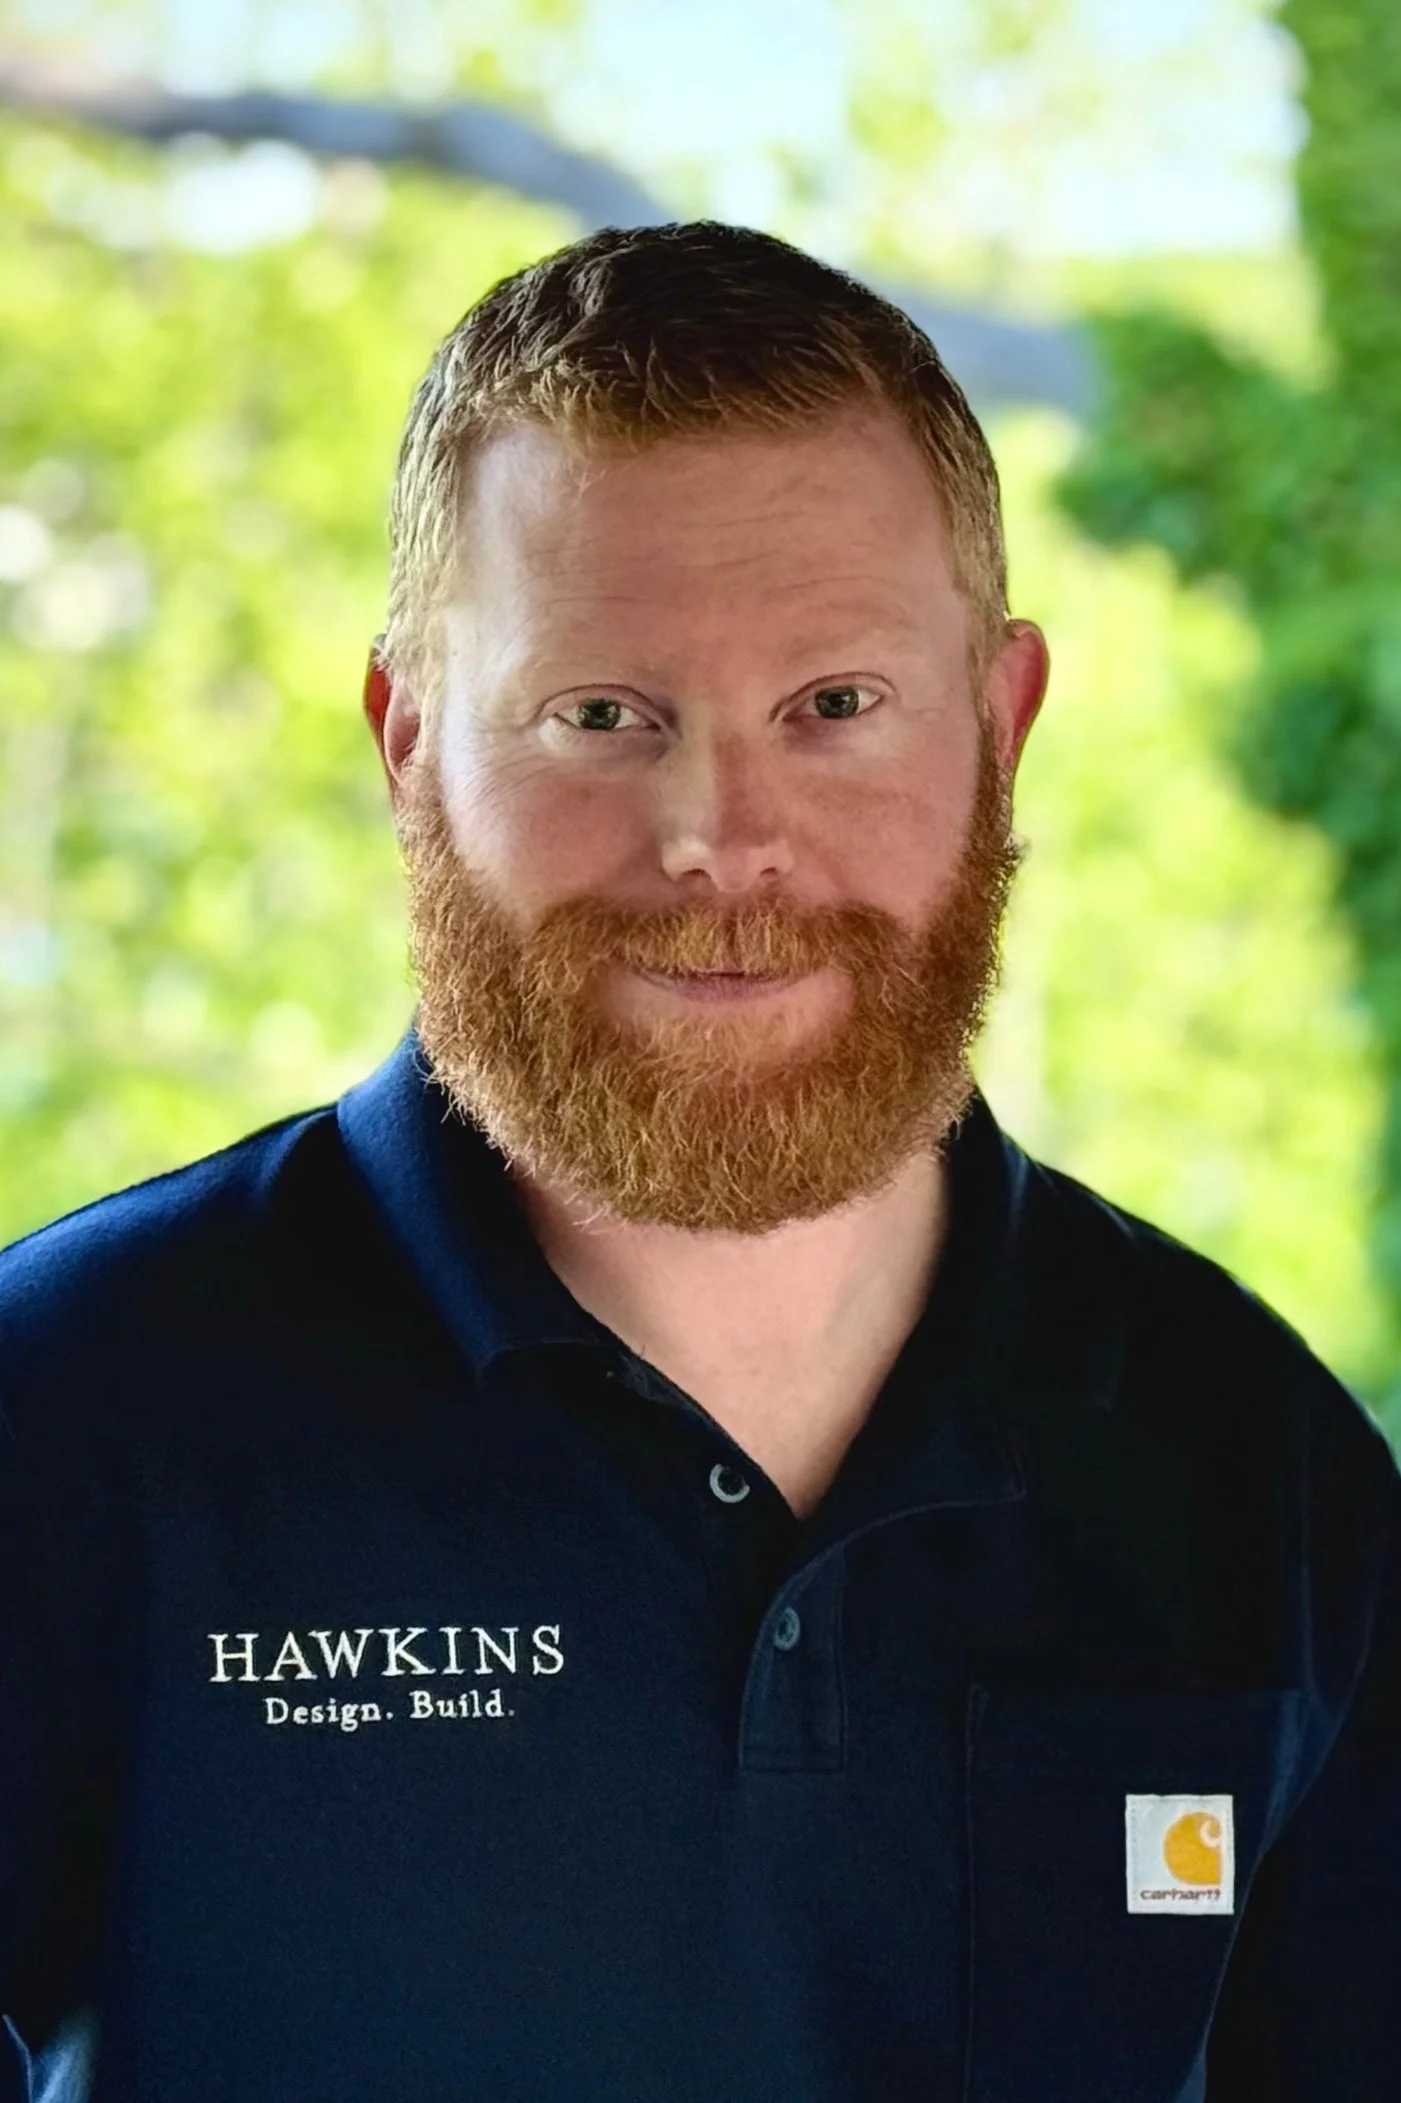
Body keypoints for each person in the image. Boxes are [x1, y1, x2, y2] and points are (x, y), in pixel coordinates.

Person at [0, 220, 1396, 2103]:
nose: (724, 842)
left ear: (1002, 725)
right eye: (601, 715)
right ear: (410, 745)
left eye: (835, 706)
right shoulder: (64, 1408)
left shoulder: (1262, 1470)